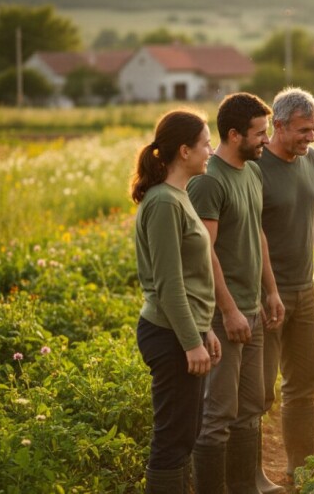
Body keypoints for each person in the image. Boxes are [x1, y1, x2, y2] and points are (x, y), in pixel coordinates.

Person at [187, 93, 285, 494]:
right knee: (219, 412)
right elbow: (203, 251)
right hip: (222, 315)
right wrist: (228, 312)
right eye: (260, 133)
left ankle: (245, 486)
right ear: (233, 134)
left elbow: (257, 234)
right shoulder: (209, 181)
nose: (267, 139)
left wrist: (271, 291)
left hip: (253, 310)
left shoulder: (252, 172)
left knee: (251, 407)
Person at [256, 87, 314, 490]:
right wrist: (270, 290)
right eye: (303, 130)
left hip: (303, 291)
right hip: (264, 295)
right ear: (278, 126)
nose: (311, 137)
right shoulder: (255, 168)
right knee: (259, 391)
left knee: (305, 382)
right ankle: (249, 473)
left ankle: (300, 467)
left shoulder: (313, 160)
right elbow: (251, 234)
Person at [132, 109, 221, 493]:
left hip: (181, 332)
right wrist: (191, 342)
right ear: (184, 151)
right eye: (205, 144)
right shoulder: (165, 203)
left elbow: (188, 278)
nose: (210, 150)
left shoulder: (178, 196)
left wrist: (204, 331)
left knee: (186, 433)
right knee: (173, 439)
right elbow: (170, 285)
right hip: (168, 335)